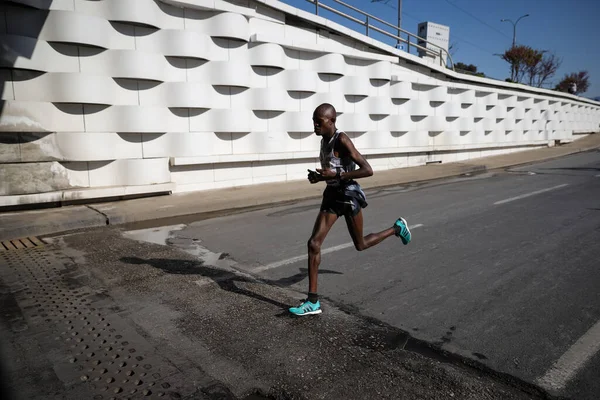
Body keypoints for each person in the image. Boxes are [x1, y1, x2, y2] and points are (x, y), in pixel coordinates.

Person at [289, 103, 412, 316]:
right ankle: (313, 302)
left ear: (332, 121)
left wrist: (336, 176)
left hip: (348, 196)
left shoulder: (342, 139)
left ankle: (396, 228)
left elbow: (367, 170)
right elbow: (332, 170)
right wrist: (318, 177)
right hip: (332, 195)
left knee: (361, 244)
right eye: (313, 121)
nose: (315, 126)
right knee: (313, 243)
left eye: (319, 122)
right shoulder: (323, 141)